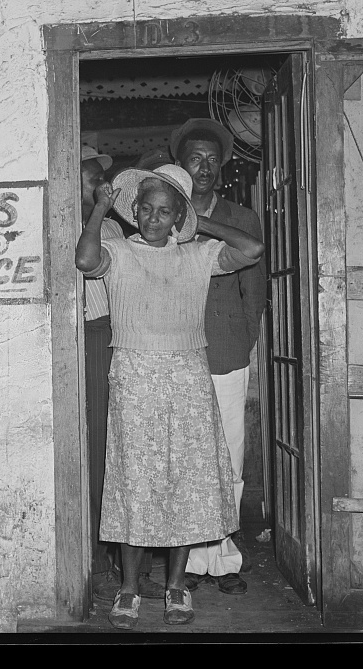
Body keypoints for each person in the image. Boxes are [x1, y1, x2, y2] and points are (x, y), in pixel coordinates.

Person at [75, 163, 264, 628]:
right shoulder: (117, 253)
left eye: (166, 211)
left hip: (188, 378)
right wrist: (101, 207)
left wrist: (200, 225)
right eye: (147, 209)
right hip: (135, 378)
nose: (155, 218)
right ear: (134, 211)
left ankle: (177, 587)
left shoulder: (197, 255)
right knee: (133, 483)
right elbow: (84, 261)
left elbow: (253, 249)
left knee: (187, 484)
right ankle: (129, 589)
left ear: (178, 217)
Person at [169, 119, 267, 596]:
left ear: (221, 164)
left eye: (211, 159)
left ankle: (224, 557)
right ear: (181, 165)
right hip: (176, 354)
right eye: (195, 159)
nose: (204, 167)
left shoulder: (241, 217)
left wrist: (241, 340)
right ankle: (184, 560)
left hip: (227, 351)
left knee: (229, 454)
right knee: (186, 457)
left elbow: (256, 290)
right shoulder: (163, 214)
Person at [80, 145, 166, 604]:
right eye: (91, 177)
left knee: (133, 453)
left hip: (120, 340)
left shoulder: (115, 226)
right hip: (81, 345)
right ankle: (92, 558)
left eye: (102, 178)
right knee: (94, 455)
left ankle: (136, 566)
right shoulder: (62, 224)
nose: (102, 186)